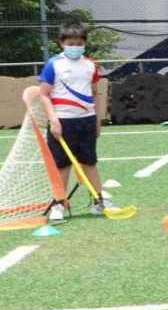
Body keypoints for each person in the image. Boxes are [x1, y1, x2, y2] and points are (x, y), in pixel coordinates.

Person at [38, 21, 121, 221]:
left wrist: (97, 121)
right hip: (63, 121)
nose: (75, 47)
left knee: (89, 162)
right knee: (63, 165)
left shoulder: (90, 65)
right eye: (71, 43)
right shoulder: (53, 64)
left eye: (79, 43)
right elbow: (44, 95)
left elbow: (94, 94)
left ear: (84, 43)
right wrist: (54, 121)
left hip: (86, 120)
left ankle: (98, 202)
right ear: (61, 43)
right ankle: (59, 204)